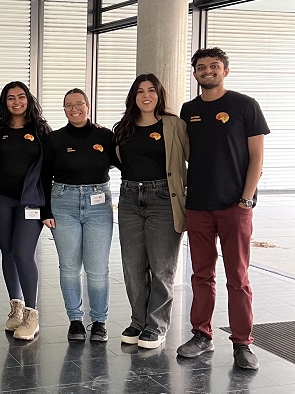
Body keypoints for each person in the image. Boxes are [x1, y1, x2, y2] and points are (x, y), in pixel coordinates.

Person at [177, 47, 268, 370]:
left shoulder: (245, 105)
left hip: (234, 206)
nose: (208, 71)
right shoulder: (189, 110)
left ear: (225, 71)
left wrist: (246, 199)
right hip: (199, 206)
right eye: (202, 67)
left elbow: (256, 155)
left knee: (238, 278)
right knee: (201, 275)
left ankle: (243, 343)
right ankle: (201, 335)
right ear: (195, 74)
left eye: (214, 66)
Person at [113, 73, 189, 349]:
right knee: (133, 267)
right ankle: (138, 320)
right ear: (133, 97)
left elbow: (195, 158)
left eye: (152, 90)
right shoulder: (123, 127)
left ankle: (156, 326)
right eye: (140, 91)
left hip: (163, 200)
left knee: (161, 268)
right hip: (130, 198)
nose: (146, 95)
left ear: (159, 94)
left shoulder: (174, 125)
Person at [42, 88, 119, 343]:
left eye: (79, 104)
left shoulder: (105, 136)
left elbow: (125, 162)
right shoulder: (54, 139)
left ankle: (99, 321)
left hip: (99, 203)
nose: (74, 109)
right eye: (68, 105)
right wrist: (45, 210)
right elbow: (43, 176)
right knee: (70, 267)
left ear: (88, 105)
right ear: (63, 109)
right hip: (63, 202)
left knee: (97, 269)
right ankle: (75, 320)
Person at [0, 81, 51, 340]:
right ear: (4, 102)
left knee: (23, 252)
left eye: (21, 97)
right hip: (0, 199)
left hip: (30, 201)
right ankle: (16, 307)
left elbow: (49, 170)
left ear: (28, 100)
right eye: (10, 98)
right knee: (7, 251)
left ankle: (32, 314)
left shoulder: (41, 130)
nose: (16, 102)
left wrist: (48, 209)